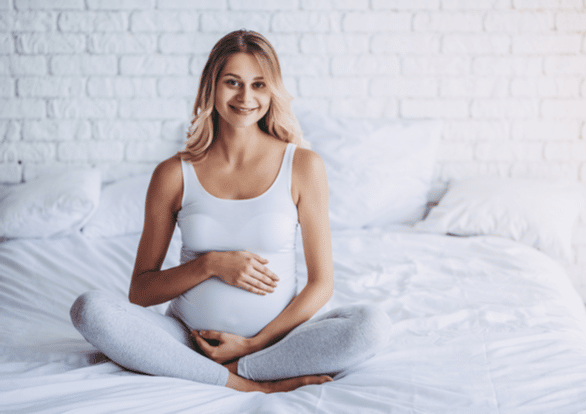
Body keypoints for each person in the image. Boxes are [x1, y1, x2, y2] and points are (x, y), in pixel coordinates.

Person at [70, 30, 391, 394]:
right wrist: (210, 264)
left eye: (259, 84)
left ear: (273, 91)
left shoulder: (302, 165)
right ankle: (252, 384)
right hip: (188, 339)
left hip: (277, 341)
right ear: (211, 86)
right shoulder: (174, 174)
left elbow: (322, 284)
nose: (246, 97)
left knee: (372, 324)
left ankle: (244, 368)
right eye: (232, 83)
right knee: (89, 308)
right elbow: (141, 292)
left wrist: (255, 344)